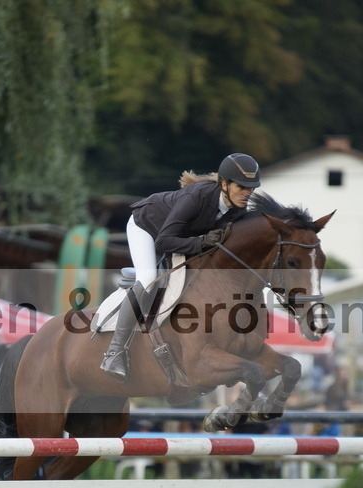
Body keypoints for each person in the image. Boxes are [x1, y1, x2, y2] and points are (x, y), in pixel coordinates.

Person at [101, 153, 262, 382]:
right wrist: (202, 242)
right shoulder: (198, 196)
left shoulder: (238, 210)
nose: (247, 193)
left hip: (180, 237)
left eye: (251, 188)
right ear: (224, 184)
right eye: (242, 187)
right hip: (146, 227)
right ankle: (114, 352)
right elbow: (164, 241)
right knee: (148, 278)